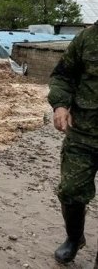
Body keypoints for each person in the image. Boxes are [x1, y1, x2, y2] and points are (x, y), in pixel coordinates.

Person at [48, 24, 98, 265]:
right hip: (83, 133)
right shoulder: (88, 38)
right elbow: (62, 75)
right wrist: (60, 105)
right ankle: (74, 238)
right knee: (70, 191)